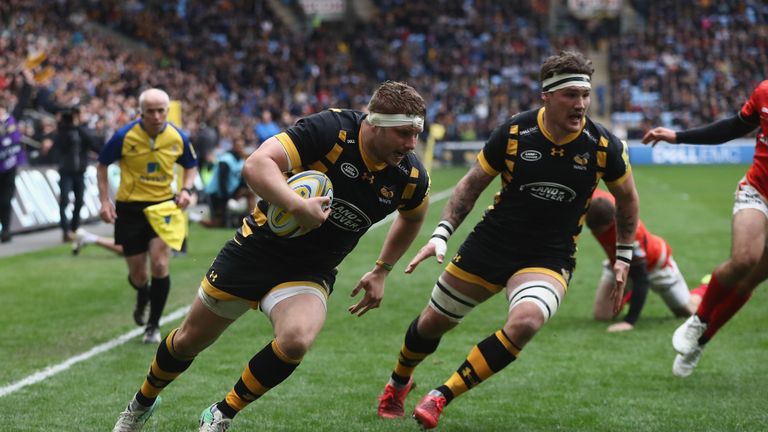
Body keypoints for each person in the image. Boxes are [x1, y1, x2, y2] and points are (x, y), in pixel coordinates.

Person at [111, 81, 431, 432]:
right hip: (257, 249)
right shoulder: (331, 130)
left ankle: (221, 413)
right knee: (189, 340)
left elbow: (413, 217)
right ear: (374, 123)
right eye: (403, 133)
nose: (411, 144)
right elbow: (257, 164)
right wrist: (297, 206)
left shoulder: (410, 176)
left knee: (296, 340)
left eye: (416, 133)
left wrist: (382, 270)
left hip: (311, 268)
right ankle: (141, 403)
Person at [375, 51, 640, 429]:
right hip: (492, 244)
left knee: (527, 321)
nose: (580, 104)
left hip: (549, 256)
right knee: (432, 323)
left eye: (585, 94)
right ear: (546, 96)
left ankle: (441, 395)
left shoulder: (603, 146)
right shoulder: (515, 133)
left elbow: (628, 199)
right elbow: (470, 186)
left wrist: (624, 255)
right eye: (570, 95)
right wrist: (441, 233)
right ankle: (398, 382)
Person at [641, 79, 768, 377]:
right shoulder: (764, 92)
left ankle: (700, 342)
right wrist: (678, 136)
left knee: (749, 281)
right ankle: (698, 319)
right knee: (745, 260)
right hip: (758, 190)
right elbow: (733, 128)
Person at [97, 88, 198, 344]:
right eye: (150, 111)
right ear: (140, 112)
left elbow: (190, 166)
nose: (156, 116)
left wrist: (186, 189)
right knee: (138, 274)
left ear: (167, 110)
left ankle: (153, 326)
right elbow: (102, 164)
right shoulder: (124, 136)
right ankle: (143, 293)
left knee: (161, 264)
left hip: (163, 208)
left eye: (160, 110)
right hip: (130, 209)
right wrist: (104, 200)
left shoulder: (178, 137)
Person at [587, 188, 706, 332]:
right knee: (602, 316)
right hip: (618, 263)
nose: (594, 233)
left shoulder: (630, 235)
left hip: (655, 266)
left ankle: (706, 286)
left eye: (598, 230)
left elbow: (642, 279)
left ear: (611, 222)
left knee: (689, 312)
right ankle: (628, 294)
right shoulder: (597, 200)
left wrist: (629, 322)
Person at [50, 106, 100, 242]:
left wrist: (78, 127)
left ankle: (74, 228)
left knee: (79, 201)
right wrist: (65, 126)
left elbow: (93, 143)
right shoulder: (63, 131)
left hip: (80, 172)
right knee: (65, 199)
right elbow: (59, 144)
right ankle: (65, 230)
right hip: (66, 171)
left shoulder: (82, 131)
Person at [0, 66, 34, 243]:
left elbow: (23, 101)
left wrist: (28, 82)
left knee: (6, 200)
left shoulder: (11, 118)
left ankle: (5, 230)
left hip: (9, 165)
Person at [201, 137, 255, 228]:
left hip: (231, 191)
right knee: (218, 224)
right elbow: (222, 181)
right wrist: (227, 198)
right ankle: (198, 219)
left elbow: (241, 179)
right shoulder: (226, 160)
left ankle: (252, 219)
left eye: (242, 146)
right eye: (238, 146)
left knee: (250, 193)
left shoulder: (241, 160)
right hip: (217, 194)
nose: (241, 148)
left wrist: (244, 189)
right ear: (233, 146)